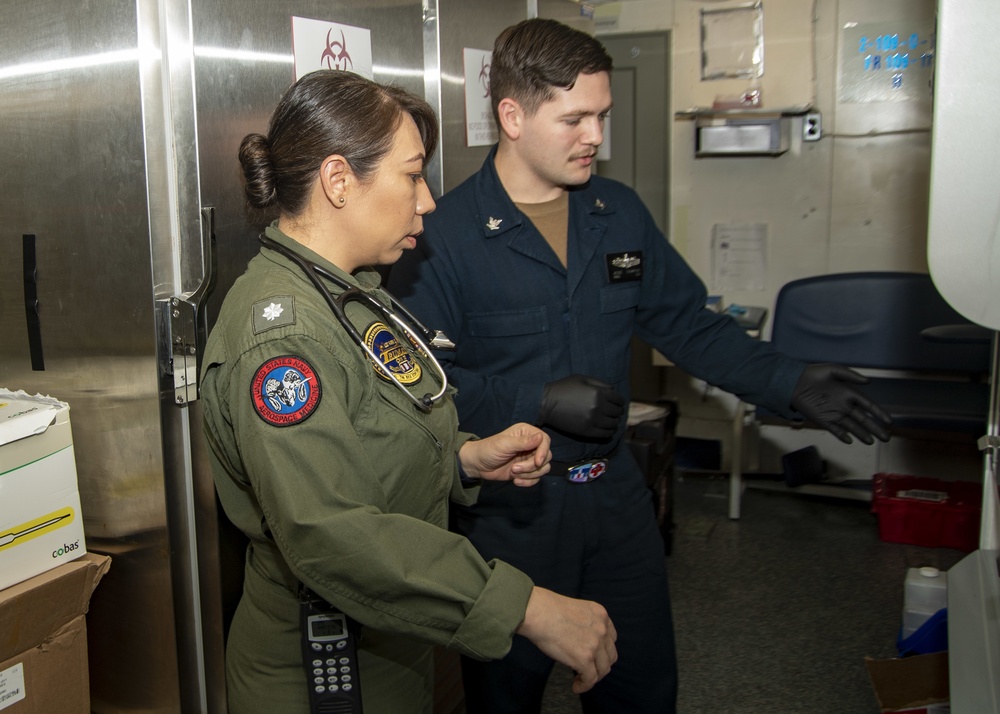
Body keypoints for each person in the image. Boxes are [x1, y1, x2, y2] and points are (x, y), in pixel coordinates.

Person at [387, 18, 892, 714]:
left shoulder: (614, 211)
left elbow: (686, 323)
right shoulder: (439, 237)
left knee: (642, 689)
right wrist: (536, 398)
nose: (597, 135)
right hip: (510, 513)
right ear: (512, 115)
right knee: (506, 694)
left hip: (617, 499)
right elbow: (417, 384)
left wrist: (790, 379)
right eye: (575, 119)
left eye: (603, 115)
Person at [199, 69, 619, 714]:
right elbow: (331, 531)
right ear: (339, 181)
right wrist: (528, 608)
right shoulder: (282, 340)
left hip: (389, 639)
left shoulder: (353, 296)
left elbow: (364, 450)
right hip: (320, 670)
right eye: (412, 175)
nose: (427, 200)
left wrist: (462, 459)